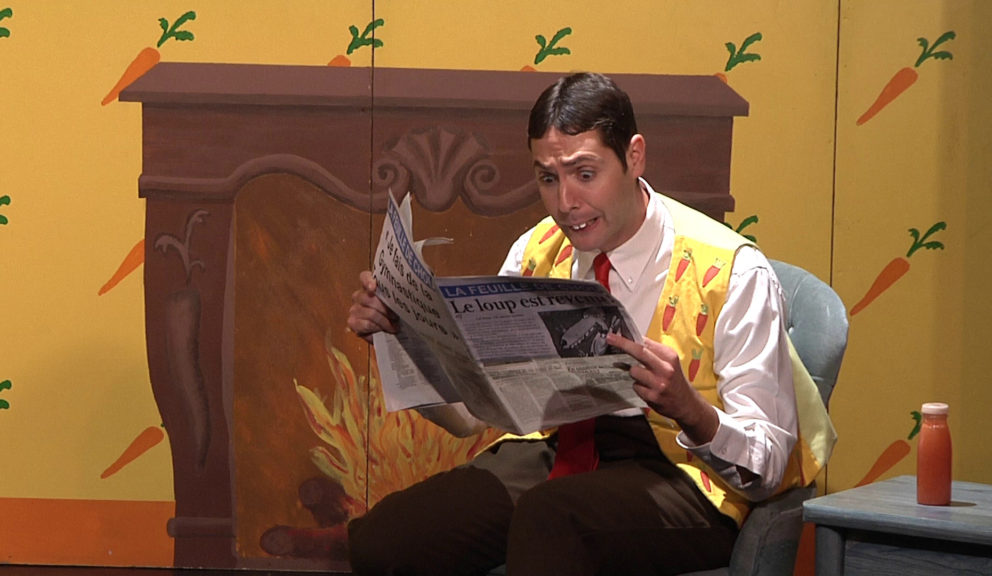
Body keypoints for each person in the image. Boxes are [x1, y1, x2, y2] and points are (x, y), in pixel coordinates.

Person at [345, 72, 833, 576]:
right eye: (547, 179)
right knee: (387, 539)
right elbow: (473, 416)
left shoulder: (734, 271)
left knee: (551, 519)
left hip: (685, 474)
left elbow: (768, 466)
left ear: (634, 156)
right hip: (557, 453)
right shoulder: (536, 251)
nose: (565, 202)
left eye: (584, 173)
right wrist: (399, 339)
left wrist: (692, 411)